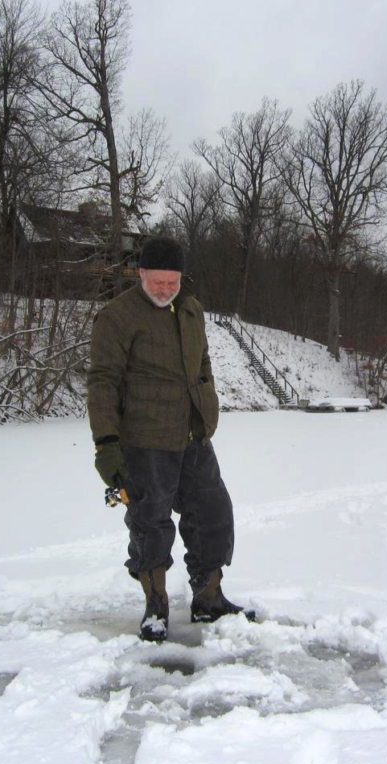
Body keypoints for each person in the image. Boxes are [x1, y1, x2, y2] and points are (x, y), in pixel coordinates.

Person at [87, 235, 254, 642]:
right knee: (150, 523)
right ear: (140, 273)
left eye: (173, 281)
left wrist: (207, 403)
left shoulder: (192, 309)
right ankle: (156, 606)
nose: (165, 289)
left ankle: (208, 598)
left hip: (193, 436)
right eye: (158, 281)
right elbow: (103, 381)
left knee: (214, 514)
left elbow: (203, 362)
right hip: (145, 440)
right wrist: (106, 444)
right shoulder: (117, 316)